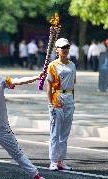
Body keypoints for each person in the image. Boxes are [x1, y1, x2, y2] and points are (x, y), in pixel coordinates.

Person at [46, 38, 76, 171]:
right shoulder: (52, 65)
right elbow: (49, 86)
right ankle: (53, 160)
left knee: (65, 133)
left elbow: (73, 82)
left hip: (69, 97)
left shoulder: (72, 65)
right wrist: (50, 104)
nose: (65, 49)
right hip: (57, 97)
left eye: (67, 47)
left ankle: (61, 160)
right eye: (62, 47)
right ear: (56, 49)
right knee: (55, 132)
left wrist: (72, 100)